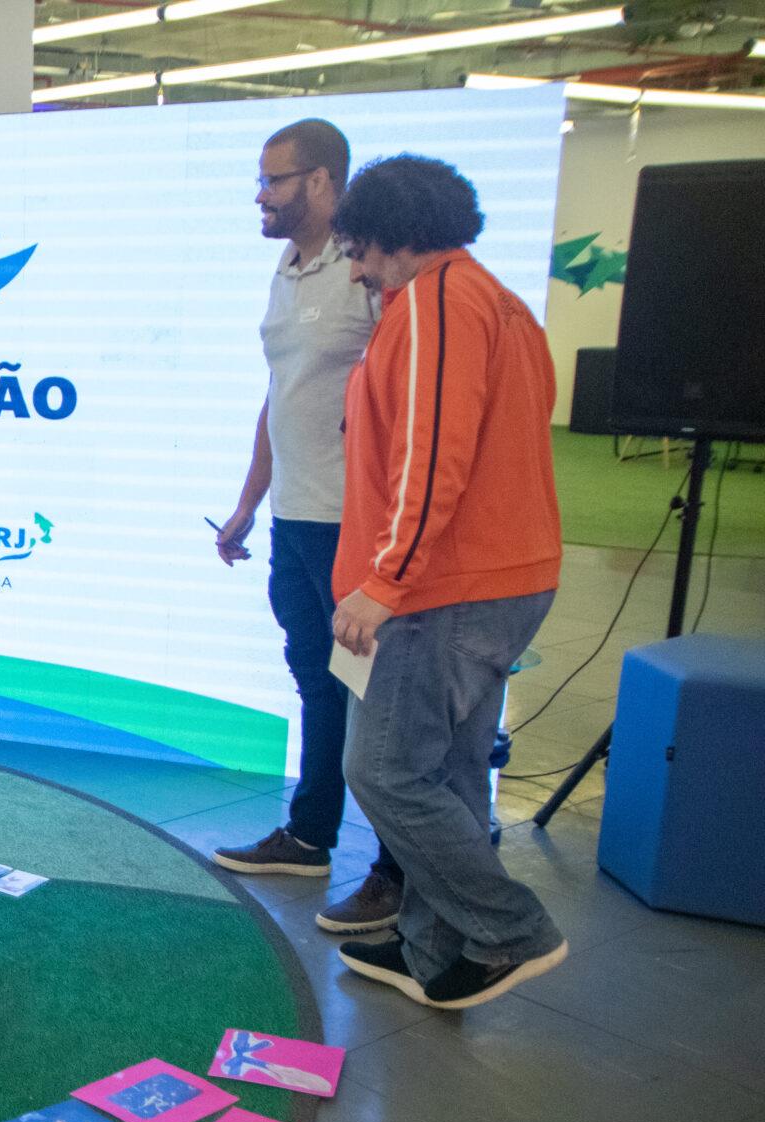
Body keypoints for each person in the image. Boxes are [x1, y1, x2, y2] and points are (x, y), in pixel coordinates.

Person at [326, 155, 568, 1010]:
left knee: (385, 771)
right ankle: (435, 941)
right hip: (494, 579)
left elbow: (432, 457)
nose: (355, 271)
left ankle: (508, 928)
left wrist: (385, 580)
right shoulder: (497, 302)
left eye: (360, 251)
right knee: (452, 772)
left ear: (396, 237)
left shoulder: (436, 303)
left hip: (444, 589)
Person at [210, 119, 406, 932]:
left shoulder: (368, 274)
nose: (261, 195)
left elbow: (403, 397)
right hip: (294, 518)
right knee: (316, 682)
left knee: (376, 698)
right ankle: (310, 835)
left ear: (322, 181)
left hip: (352, 526)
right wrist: (248, 501)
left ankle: (397, 869)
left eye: (274, 180)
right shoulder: (287, 268)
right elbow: (281, 395)